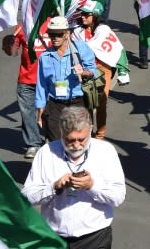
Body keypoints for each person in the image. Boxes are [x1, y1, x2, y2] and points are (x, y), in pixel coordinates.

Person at [22, 106, 126, 249]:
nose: (76, 145)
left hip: (95, 238)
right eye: (69, 140)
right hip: (54, 237)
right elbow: (27, 197)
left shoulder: (106, 152)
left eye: (81, 139)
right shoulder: (46, 153)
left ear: (91, 130)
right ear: (61, 131)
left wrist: (91, 186)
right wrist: (54, 187)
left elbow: (118, 197)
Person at [35, 16, 98, 142]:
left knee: (77, 140)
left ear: (67, 34)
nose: (54, 37)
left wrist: (84, 72)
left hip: (77, 103)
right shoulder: (45, 57)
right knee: (56, 142)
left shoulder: (80, 48)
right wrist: (40, 111)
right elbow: (41, 85)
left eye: (58, 34)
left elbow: (93, 72)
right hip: (55, 104)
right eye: (51, 34)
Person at [72, 1, 126, 140]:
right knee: (87, 102)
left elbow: (118, 49)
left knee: (101, 102)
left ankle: (100, 134)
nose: (83, 16)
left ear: (95, 16)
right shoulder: (77, 31)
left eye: (86, 14)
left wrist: (122, 71)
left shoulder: (104, 30)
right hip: (85, 70)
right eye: (82, 14)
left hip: (103, 69)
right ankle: (88, 131)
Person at [3, 23, 51, 159]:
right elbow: (13, 52)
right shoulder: (23, 25)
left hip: (50, 79)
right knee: (27, 113)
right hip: (26, 79)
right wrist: (8, 44)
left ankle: (51, 139)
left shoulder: (53, 20)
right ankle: (33, 143)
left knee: (50, 112)